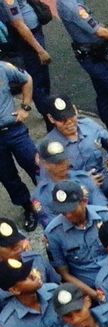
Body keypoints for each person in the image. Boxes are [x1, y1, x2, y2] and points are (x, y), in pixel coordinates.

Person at [55, 0, 108, 137]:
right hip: (96, 58)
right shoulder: (73, 7)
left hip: (90, 55)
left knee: (103, 94)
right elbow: (100, 32)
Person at [0, 59, 39, 232]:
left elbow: (27, 79)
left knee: (35, 164)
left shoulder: (3, 68)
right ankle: (28, 208)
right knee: (7, 177)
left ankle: (48, 199)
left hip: (14, 131)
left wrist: (25, 107)